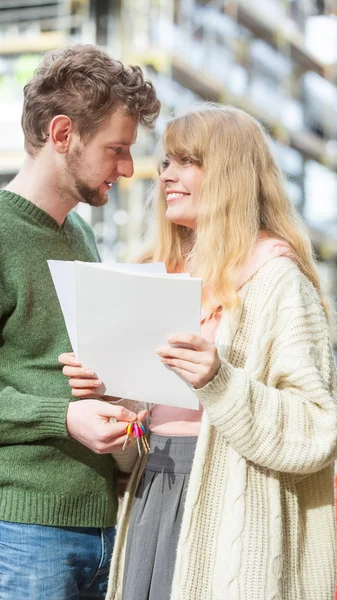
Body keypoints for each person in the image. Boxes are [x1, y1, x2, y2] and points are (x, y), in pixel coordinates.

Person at [60, 104, 337, 600]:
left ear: (231, 175)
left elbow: (319, 429)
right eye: (167, 162)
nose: (166, 175)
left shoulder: (277, 280)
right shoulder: (155, 274)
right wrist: (114, 401)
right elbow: (137, 449)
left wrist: (219, 381)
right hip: (154, 493)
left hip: (232, 511)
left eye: (186, 161)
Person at [0, 44, 160, 600]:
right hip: (21, 531)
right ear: (63, 132)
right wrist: (64, 417)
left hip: (100, 524)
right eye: (117, 149)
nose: (128, 168)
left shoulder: (83, 238)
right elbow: (56, 405)